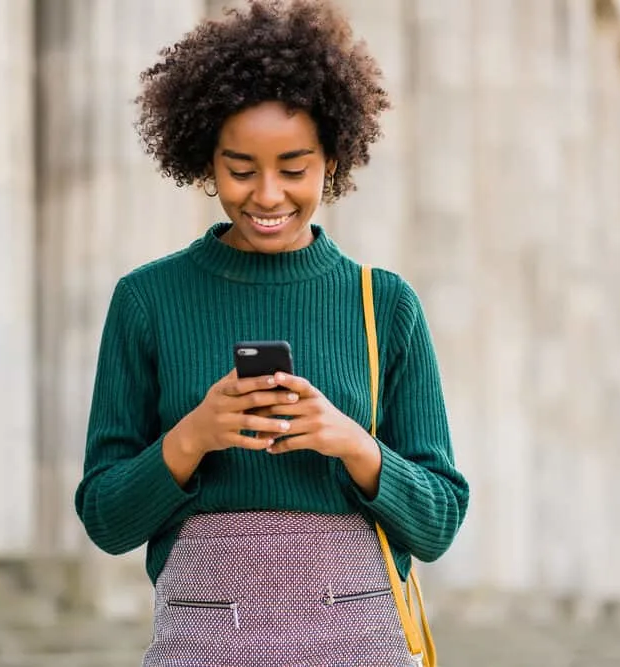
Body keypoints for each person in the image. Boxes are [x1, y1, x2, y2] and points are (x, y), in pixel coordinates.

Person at [74, 1, 469, 664]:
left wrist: (349, 441)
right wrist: (193, 436)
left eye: (294, 168)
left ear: (334, 160)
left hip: (357, 639)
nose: (266, 195)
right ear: (203, 156)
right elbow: (107, 519)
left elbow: (438, 520)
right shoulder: (147, 300)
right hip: (200, 638)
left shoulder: (386, 304)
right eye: (240, 167)